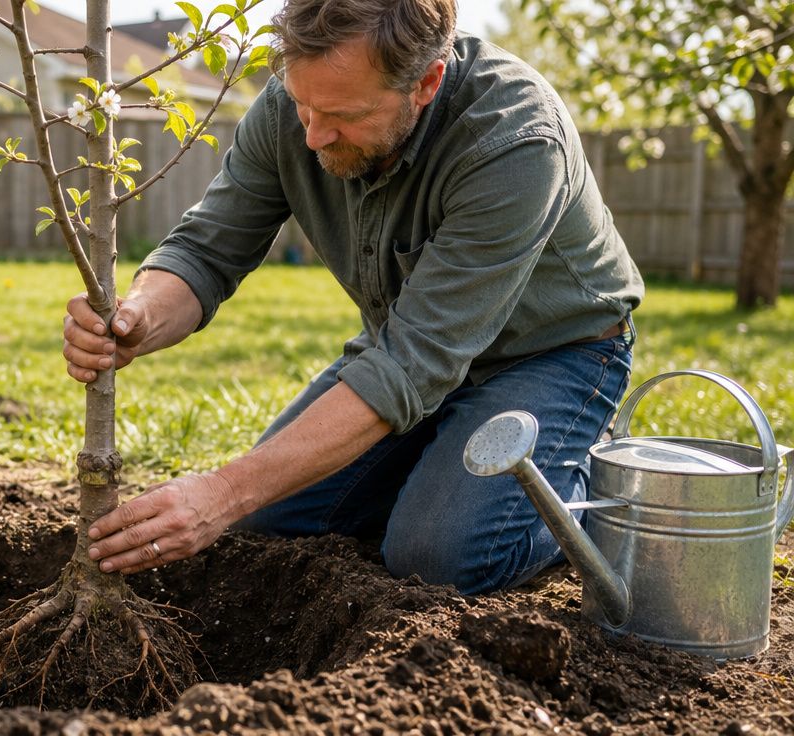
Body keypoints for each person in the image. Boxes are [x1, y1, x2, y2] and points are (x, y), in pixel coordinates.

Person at [62, 0, 643, 595]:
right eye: (302, 104)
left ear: (426, 83)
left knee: (436, 556)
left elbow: (412, 364)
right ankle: (445, 478)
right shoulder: (297, 107)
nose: (312, 134)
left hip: (551, 355)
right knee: (267, 518)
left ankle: (597, 493)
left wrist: (223, 492)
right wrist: (138, 315)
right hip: (405, 348)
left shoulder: (514, 139)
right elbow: (207, 251)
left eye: (342, 114)